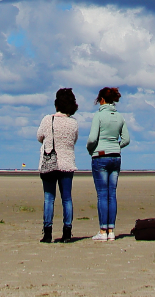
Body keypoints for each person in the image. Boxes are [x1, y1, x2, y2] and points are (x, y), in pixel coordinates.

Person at [86, 87, 130, 242]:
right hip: (116, 157)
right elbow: (126, 139)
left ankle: (103, 230)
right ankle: (111, 230)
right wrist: (116, 146)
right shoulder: (120, 117)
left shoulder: (98, 116)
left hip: (101, 156)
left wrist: (91, 150)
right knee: (112, 194)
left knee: (102, 195)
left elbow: (92, 139)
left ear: (102, 100)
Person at [36, 87, 79, 243]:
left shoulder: (47, 119)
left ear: (56, 104)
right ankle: (67, 233)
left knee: (49, 198)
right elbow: (73, 141)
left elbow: (39, 136)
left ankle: (47, 233)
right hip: (67, 163)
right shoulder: (73, 123)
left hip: (49, 163)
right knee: (67, 198)